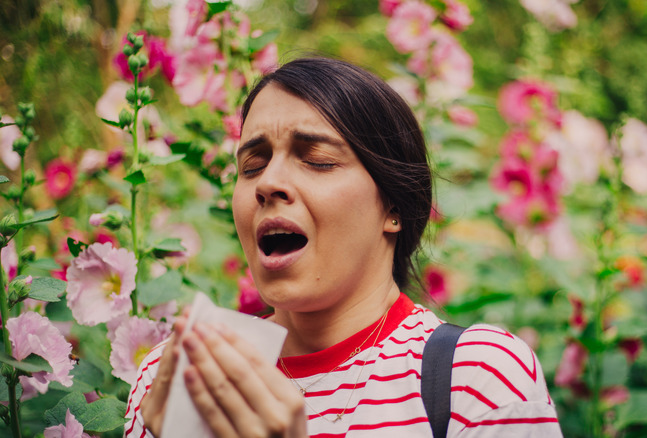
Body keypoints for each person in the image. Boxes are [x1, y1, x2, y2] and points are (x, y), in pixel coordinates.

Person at [124, 57, 563, 438]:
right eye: (252, 165)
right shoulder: (175, 380)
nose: (269, 183)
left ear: (394, 206)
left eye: (317, 160)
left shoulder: (475, 379)